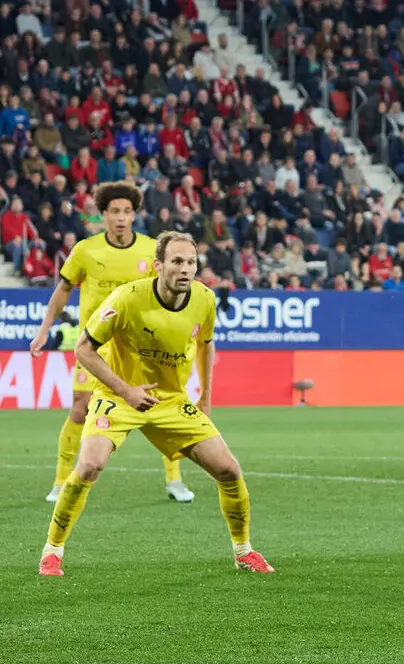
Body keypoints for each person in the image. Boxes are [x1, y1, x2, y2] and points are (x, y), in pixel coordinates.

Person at [38, 232, 273, 577]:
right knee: (89, 466)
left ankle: (243, 551)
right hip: (117, 397)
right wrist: (126, 390)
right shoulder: (127, 298)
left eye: (191, 262)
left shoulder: (205, 299)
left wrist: (205, 396)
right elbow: (84, 349)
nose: (185, 269)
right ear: (158, 266)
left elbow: (207, 345)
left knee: (229, 470)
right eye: (177, 261)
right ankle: (52, 550)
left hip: (171, 401)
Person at [29, 181, 194, 504]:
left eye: (127, 212)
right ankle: (61, 481)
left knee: (165, 406)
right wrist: (44, 329)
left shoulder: (151, 250)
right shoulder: (86, 250)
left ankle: (175, 479)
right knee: (79, 409)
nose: (121, 217)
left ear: (134, 215)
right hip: (97, 347)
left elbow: (169, 293)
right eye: (114, 211)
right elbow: (62, 290)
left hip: (143, 346)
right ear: (102, 215)